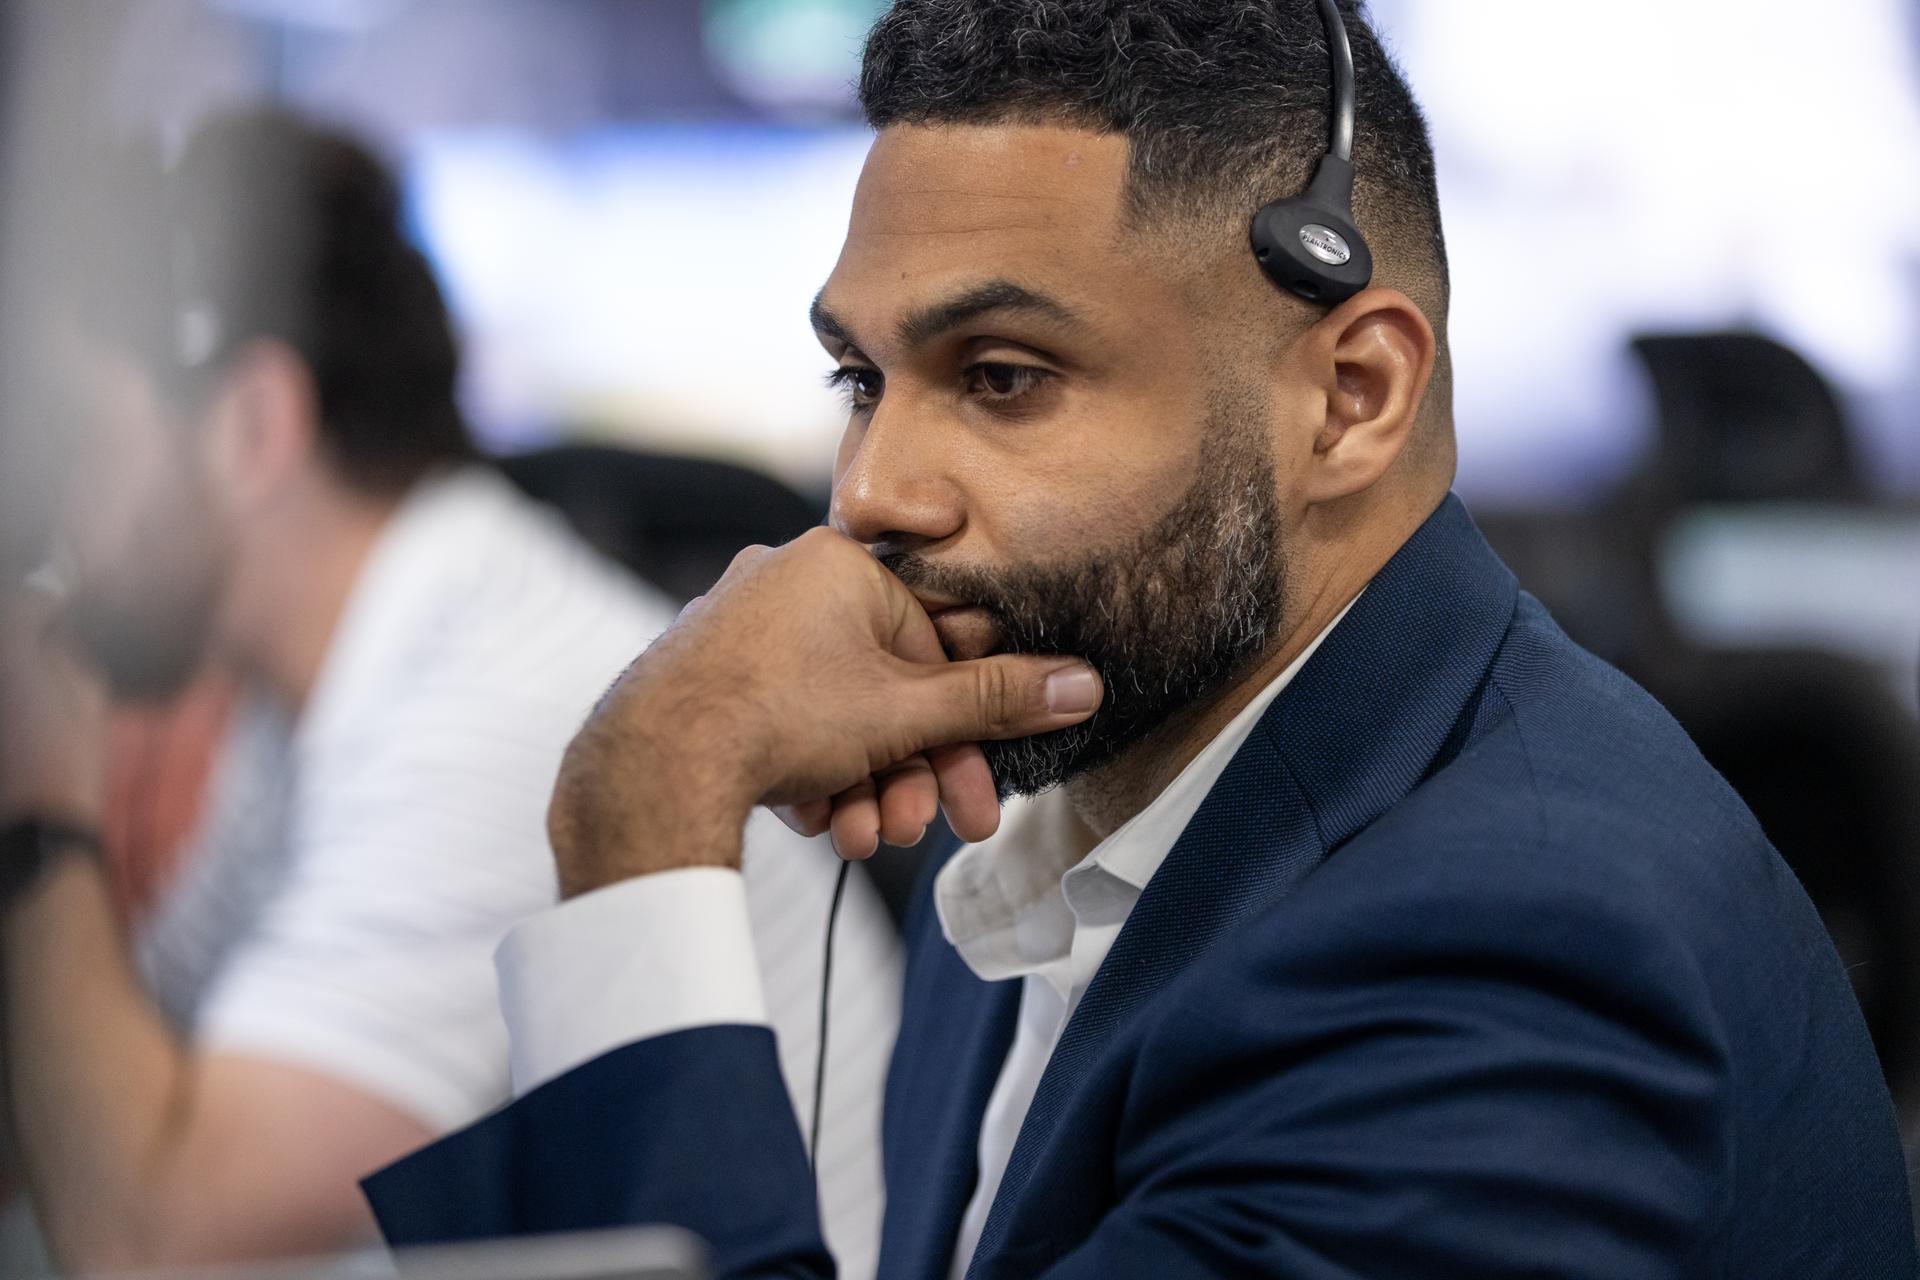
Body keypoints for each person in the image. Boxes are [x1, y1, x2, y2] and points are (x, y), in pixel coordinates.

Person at [380, 1, 1901, 1274]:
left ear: (1351, 397)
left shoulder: (1516, 953)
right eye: (862, 380)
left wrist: (647, 806)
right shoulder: (1043, 840)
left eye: (1002, 376)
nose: (869, 493)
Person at [0, 110, 897, 1274]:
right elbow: (127, 1072)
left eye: (77, 444)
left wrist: (38, 809)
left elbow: (148, 1238)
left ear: (254, 423)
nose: (51, 511)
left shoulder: (483, 711)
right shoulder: (330, 680)